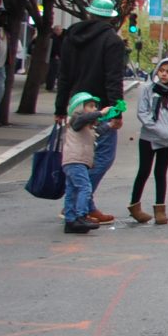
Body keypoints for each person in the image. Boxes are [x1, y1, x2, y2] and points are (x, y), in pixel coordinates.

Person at [53, 0, 128, 224]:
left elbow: (63, 74)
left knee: (82, 157)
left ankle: (86, 205)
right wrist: (116, 112)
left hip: (76, 105)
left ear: (90, 14)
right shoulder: (112, 41)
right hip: (100, 108)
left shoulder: (71, 37)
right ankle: (78, 205)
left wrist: (60, 108)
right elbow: (113, 79)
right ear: (111, 18)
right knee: (102, 157)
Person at [129, 57, 168, 225]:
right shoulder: (147, 90)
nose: (164, 74)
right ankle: (134, 207)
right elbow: (142, 113)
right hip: (148, 137)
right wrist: (159, 130)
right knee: (143, 171)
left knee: (160, 173)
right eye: (161, 70)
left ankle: (160, 209)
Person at [60, 92, 114, 234]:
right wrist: (100, 113)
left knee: (72, 190)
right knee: (85, 187)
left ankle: (70, 220)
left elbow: (98, 131)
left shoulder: (86, 125)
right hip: (75, 160)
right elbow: (84, 118)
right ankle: (81, 215)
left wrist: (110, 124)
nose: (93, 109)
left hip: (76, 161)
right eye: (90, 106)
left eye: (95, 106)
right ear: (78, 107)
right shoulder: (75, 119)